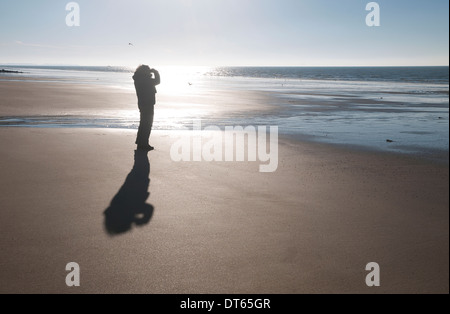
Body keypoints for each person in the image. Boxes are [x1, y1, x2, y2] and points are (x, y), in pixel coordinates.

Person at [133, 65, 160, 151]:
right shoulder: (145, 79)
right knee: (147, 124)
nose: (149, 72)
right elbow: (157, 81)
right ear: (144, 71)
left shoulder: (138, 78)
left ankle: (140, 142)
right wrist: (155, 72)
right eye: (148, 70)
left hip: (142, 103)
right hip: (147, 103)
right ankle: (144, 143)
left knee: (143, 124)